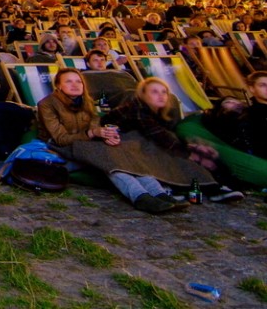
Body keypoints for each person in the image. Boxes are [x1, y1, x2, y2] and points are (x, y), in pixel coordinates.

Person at [37, 69, 201, 214]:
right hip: (61, 145)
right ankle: (140, 197)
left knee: (124, 152)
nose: (75, 85)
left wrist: (106, 135)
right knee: (109, 159)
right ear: (58, 86)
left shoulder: (86, 101)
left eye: (78, 81)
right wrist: (93, 133)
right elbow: (60, 138)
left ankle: (159, 193)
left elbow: (95, 122)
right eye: (68, 81)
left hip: (86, 141)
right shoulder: (47, 104)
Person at [103, 78, 242, 202]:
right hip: (119, 142)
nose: (161, 96)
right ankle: (209, 187)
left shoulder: (160, 111)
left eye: (164, 92)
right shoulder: (136, 109)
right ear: (143, 94)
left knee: (184, 150)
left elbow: (166, 133)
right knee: (168, 153)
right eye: (155, 92)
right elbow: (159, 136)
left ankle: (214, 184)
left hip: (139, 140)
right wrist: (189, 153)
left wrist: (191, 147)